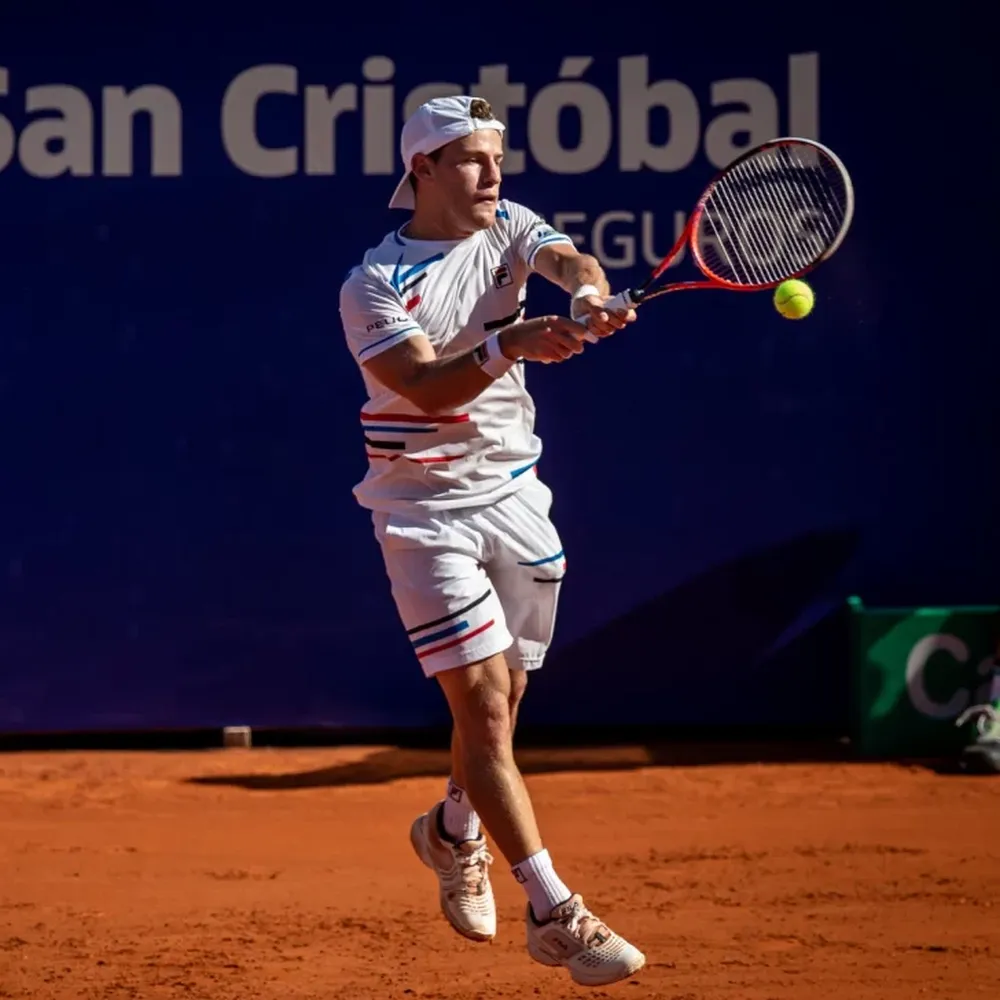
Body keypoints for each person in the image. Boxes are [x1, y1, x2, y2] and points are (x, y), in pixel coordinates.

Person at [338, 94, 645, 987]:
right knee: (478, 702)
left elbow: (562, 254)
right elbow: (426, 390)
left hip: (514, 491)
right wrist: (514, 342)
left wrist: (585, 290)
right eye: (470, 160)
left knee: (504, 700)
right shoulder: (372, 284)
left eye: (496, 158)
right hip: (420, 506)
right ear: (422, 170)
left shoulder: (508, 221)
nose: (493, 174)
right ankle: (554, 912)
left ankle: (450, 832)